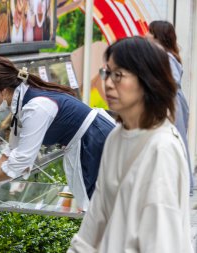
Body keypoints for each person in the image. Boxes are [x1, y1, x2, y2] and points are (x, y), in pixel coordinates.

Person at [68, 36, 193, 252]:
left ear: (147, 80)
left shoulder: (161, 147)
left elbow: (161, 241)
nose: (107, 83)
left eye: (118, 75)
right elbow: (97, 216)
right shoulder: (116, 136)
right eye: (106, 73)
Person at [0, 56, 115, 211]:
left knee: (101, 208)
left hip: (95, 141)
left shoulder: (35, 107)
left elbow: (23, 158)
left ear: (2, 91)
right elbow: (12, 149)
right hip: (93, 138)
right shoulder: (24, 100)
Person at [145, 20, 193, 194]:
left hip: (169, 105)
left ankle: (177, 186)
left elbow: (170, 82)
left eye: (149, 31)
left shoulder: (164, 56)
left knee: (172, 142)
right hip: (170, 104)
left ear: (157, 36)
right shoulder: (166, 54)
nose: (146, 34)